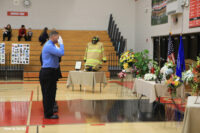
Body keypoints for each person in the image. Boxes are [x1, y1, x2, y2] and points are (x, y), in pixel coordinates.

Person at [39, 31, 64, 119]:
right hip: (47, 72)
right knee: (48, 94)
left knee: (52, 94)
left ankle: (50, 111)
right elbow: (61, 53)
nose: (58, 39)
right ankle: (48, 114)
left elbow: (59, 57)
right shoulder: (49, 45)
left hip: (52, 72)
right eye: (57, 37)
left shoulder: (52, 45)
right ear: (53, 37)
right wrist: (62, 44)